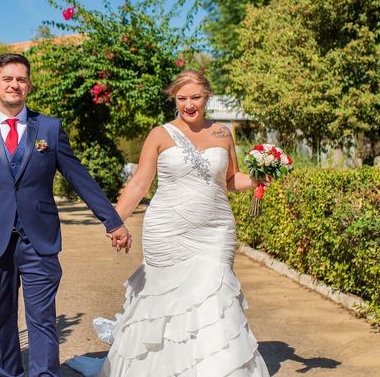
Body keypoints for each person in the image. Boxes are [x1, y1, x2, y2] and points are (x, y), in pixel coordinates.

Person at [69, 70, 270, 376]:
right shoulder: (160, 134)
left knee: (214, 295)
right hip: (167, 230)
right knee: (165, 300)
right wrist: (114, 222)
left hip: (215, 230)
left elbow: (229, 179)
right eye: (182, 98)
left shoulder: (222, 134)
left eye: (196, 97)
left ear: (207, 96)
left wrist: (258, 176)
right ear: (174, 99)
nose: (189, 105)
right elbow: (139, 184)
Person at [0, 53, 133, 377]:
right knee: (2, 318)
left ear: (29, 85)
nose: (14, 84)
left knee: (42, 319)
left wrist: (112, 220)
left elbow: (78, 176)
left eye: (21, 79)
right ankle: (10, 373)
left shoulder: (49, 129)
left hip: (39, 240)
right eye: (7, 78)